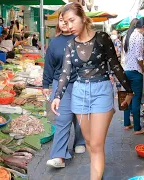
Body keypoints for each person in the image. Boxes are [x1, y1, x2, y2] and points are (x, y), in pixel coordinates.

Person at [51, 3, 133, 180]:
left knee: (96, 144)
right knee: (88, 142)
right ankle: (98, 173)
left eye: (72, 20)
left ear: (83, 17)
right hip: (79, 93)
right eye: (66, 22)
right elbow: (65, 73)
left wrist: (128, 90)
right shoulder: (70, 45)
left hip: (101, 90)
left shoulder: (102, 38)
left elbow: (115, 66)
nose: (69, 26)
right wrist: (57, 96)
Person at [43, 10, 85, 168]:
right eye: (61, 20)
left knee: (79, 115)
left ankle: (80, 141)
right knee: (62, 118)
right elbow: (49, 65)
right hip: (60, 84)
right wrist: (45, 85)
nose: (65, 23)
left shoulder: (82, 38)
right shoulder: (54, 42)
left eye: (68, 20)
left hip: (81, 83)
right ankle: (59, 156)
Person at [123, 17, 144, 134]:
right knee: (135, 99)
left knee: (127, 98)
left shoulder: (129, 35)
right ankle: (137, 128)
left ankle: (126, 124)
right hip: (135, 72)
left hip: (127, 70)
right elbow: (139, 57)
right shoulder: (139, 36)